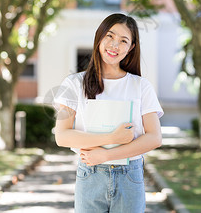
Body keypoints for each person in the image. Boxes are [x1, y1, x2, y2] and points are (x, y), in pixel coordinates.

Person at [53, 13, 164, 213]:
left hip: (129, 175)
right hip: (90, 174)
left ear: (131, 48)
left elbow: (154, 138)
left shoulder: (141, 86)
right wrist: (112, 137)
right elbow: (62, 135)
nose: (114, 45)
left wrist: (106, 154)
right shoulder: (74, 84)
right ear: (99, 37)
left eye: (123, 41)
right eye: (110, 36)